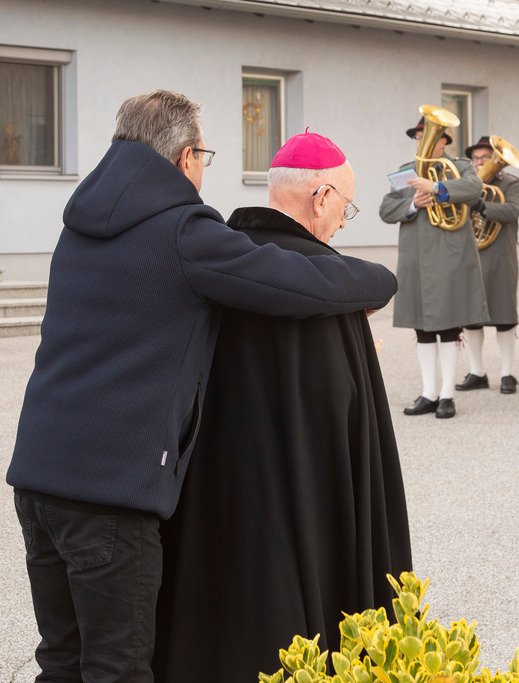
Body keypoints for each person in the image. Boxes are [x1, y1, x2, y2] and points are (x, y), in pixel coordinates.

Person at [7, 91, 398, 682]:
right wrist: (381, 279)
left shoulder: (81, 223)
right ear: (186, 157)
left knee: (62, 659)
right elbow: (297, 281)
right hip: (111, 493)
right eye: (205, 158)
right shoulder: (182, 230)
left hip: (39, 478)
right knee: (118, 668)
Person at [153, 131, 412, 683]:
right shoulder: (330, 283)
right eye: (345, 206)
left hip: (213, 497)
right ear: (321, 197)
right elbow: (341, 421)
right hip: (303, 511)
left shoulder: (217, 260)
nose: (343, 222)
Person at [379, 114, 487, 419]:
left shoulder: (461, 166)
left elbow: (474, 188)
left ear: (443, 141)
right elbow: (385, 209)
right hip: (416, 256)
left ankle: (447, 395)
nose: (420, 142)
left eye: (426, 136)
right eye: (417, 137)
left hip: (450, 254)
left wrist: (437, 187)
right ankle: (428, 393)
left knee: (449, 324)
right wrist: (413, 203)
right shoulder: (406, 171)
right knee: (422, 326)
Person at [456, 136, 519, 394]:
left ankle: (507, 373)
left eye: (486, 157)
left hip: (500, 255)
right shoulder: (466, 183)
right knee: (472, 317)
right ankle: (477, 372)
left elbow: (513, 210)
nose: (480, 162)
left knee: (504, 316)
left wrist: (481, 206)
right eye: (476, 158)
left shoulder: (510, 182)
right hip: (471, 255)